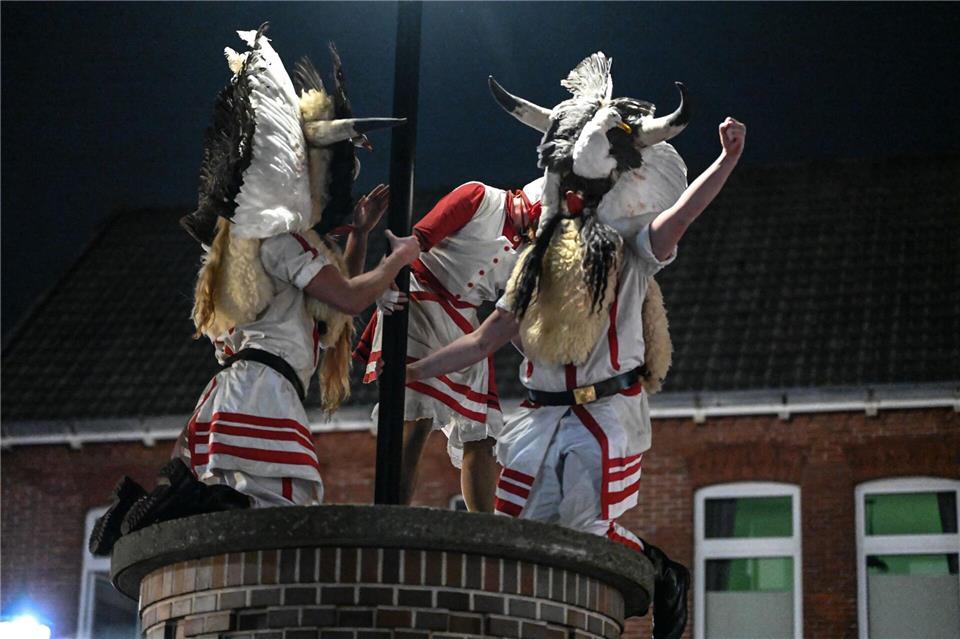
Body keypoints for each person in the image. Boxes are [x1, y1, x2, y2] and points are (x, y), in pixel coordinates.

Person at [408, 99, 746, 638]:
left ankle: (660, 572)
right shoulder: (534, 261)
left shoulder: (631, 247)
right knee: (525, 537)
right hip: (542, 418)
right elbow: (484, 339)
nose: (574, 201)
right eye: (567, 188)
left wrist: (726, 161)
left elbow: (680, 217)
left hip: (606, 411)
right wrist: (415, 371)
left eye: (586, 192)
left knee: (588, 529)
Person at [89, 27, 418, 555]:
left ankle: (163, 507)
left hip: (251, 385)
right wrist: (399, 256)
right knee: (272, 520)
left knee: (243, 516)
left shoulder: (272, 245)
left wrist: (359, 235)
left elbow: (333, 317)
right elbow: (353, 299)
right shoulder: (285, 241)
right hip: (262, 390)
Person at [355, 178, 542, 511]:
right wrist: (384, 279)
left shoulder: (531, 251)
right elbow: (415, 241)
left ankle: (484, 535)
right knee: (416, 418)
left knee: (481, 432)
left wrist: (546, 362)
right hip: (420, 299)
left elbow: (511, 317)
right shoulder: (479, 197)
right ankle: (389, 520)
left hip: (465, 319)